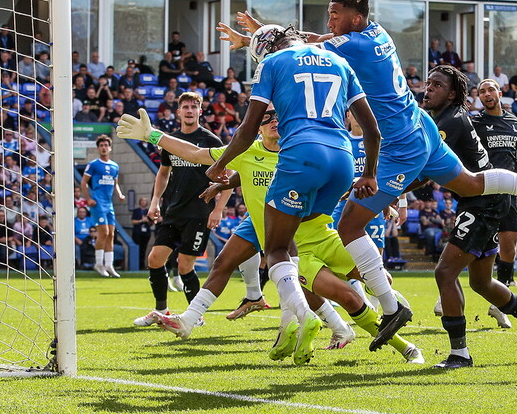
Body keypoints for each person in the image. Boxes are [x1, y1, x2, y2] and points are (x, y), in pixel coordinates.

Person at [223, 0, 517, 353]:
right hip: (421, 126)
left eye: (335, 14)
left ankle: (392, 308)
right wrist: (262, 34)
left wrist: (262, 40)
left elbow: (306, 49)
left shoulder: (350, 47)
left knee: (349, 227)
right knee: (469, 184)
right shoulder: (375, 34)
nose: (330, 21)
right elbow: (316, 39)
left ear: (354, 17)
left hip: (400, 144)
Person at [117, 105, 424, 364]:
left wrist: (384, 196)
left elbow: (341, 178)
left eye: (277, 115)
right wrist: (152, 135)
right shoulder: (246, 151)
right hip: (280, 239)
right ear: (256, 127)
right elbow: (197, 154)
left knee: (379, 279)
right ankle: (404, 347)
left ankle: (315, 322)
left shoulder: (301, 149)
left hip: (320, 233)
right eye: (265, 118)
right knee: (337, 294)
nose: (273, 120)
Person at [204, 24, 382, 366]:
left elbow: (245, 130)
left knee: (277, 248)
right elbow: (372, 130)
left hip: (303, 155)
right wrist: (369, 173)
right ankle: (384, 304)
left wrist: (220, 166)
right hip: (344, 162)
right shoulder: (338, 62)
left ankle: (304, 314)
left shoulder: (273, 63)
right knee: (307, 240)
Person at [422, 65, 517, 368]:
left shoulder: (449, 121)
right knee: (480, 282)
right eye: (428, 83)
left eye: (437, 85)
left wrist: (390, 189)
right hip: (486, 199)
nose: (428, 89)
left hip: (483, 203)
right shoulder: (451, 118)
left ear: (452, 93)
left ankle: (459, 354)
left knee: (445, 273)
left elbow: (425, 171)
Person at [133, 92, 231, 327]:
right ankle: (161, 311)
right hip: (172, 211)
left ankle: (194, 316)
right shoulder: (171, 140)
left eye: (193, 107)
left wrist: (218, 209)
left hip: (199, 213)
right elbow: (164, 172)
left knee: (185, 265)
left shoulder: (210, 141)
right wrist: (155, 201)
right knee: (155, 259)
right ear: (178, 112)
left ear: (200, 111)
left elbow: (228, 178)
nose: (189, 110)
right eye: (185, 106)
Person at [473, 79, 517, 295]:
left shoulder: (514, 122)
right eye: (482, 92)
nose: (487, 94)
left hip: (510, 188)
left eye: (490, 90)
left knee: (509, 243)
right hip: (486, 188)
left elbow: (512, 157)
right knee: (473, 244)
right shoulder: (475, 123)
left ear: (500, 93)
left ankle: (504, 291)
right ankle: (447, 287)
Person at [81, 135, 126, 277]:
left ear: (110, 148)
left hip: (109, 204)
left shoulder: (114, 166)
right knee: (104, 233)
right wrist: (88, 199)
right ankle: (99, 264)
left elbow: (115, 183)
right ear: (98, 148)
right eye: (101, 145)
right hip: (98, 203)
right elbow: (83, 183)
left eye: (106, 145)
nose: (104, 147)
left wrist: (120, 194)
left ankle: (109, 265)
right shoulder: (93, 164)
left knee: (111, 234)